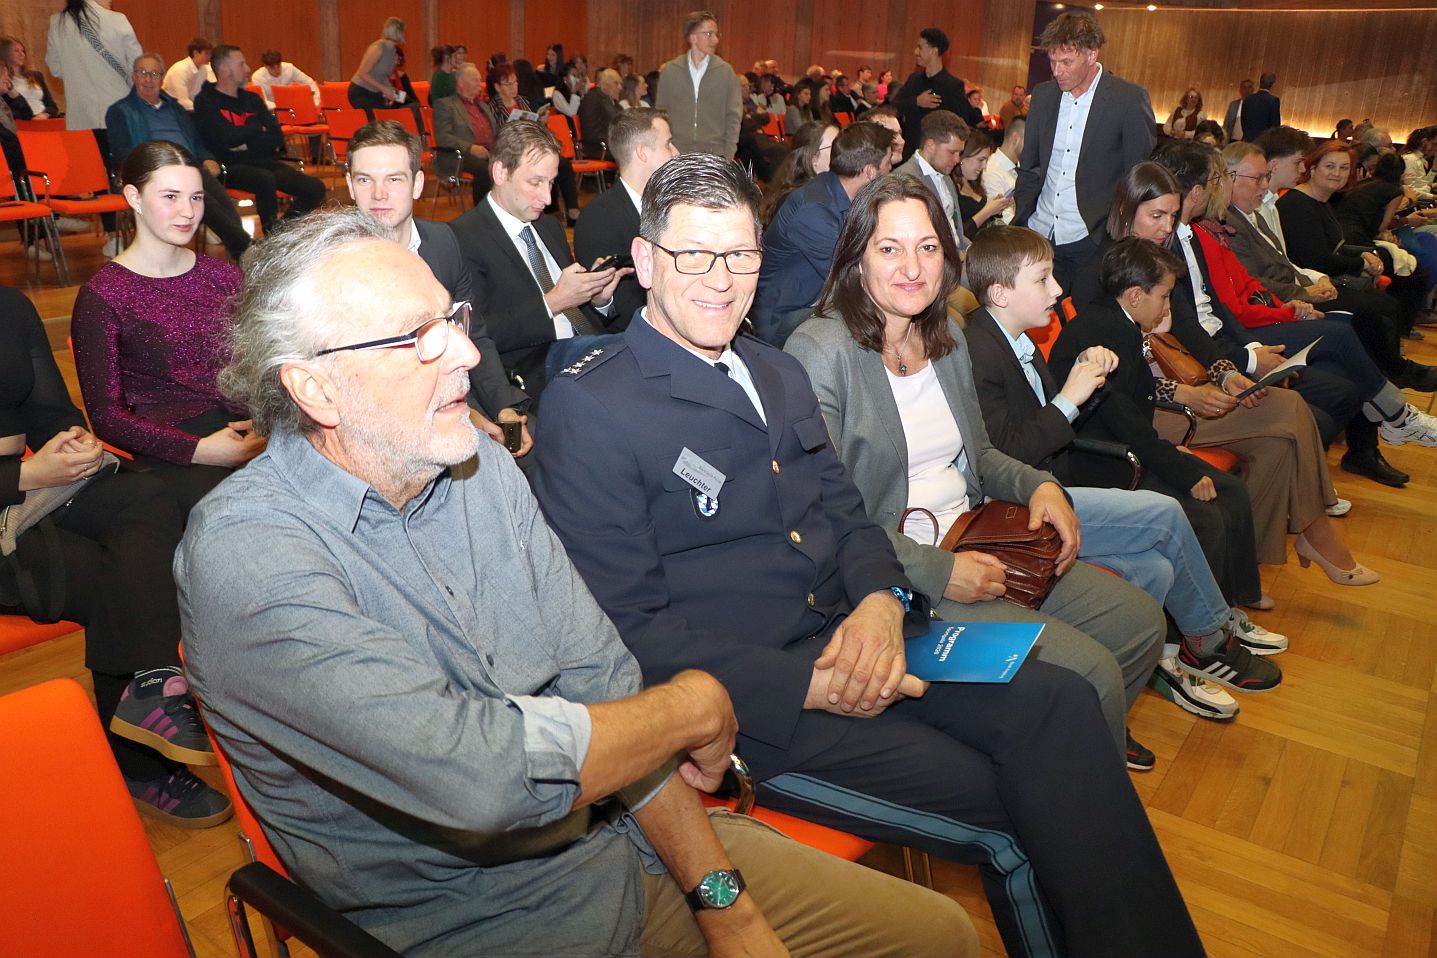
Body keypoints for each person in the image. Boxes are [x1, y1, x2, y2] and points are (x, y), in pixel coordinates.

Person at [180, 205, 979, 958]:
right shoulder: (249, 555)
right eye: (415, 338)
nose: (466, 354)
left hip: (630, 845)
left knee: (939, 935)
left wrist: (724, 905)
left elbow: (605, 683)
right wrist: (689, 704)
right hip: (489, 924)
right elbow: (483, 778)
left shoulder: (479, 470)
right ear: (315, 388)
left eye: (452, 320)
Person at [531, 153, 1206, 958]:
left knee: (1060, 706)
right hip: (760, 704)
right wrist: (811, 684)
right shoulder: (593, 404)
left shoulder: (774, 370)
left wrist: (883, 605)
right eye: (694, 255)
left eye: (739, 254)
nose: (721, 279)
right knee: (1021, 803)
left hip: (863, 632)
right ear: (645, 262)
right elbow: (624, 631)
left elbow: (847, 517)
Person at [783, 174, 1176, 760]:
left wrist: (1040, 485)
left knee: (1141, 621)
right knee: (1089, 671)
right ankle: (1071, 761)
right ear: (856, 257)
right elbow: (826, 514)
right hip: (902, 572)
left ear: (948, 257)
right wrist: (941, 571)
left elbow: (982, 454)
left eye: (927, 247)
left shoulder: (945, 334)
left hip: (981, 536)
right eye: (889, 248)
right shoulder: (821, 351)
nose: (912, 267)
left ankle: (1072, 744)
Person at [959, 225, 1265, 716]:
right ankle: (1209, 640)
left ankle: (1132, 679)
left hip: (1050, 488)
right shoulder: (978, 351)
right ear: (1000, 293)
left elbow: (1052, 419)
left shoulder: (1013, 339)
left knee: (1156, 568)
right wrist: (1069, 397)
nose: (1058, 289)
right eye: (1042, 279)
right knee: (1166, 514)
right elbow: (1005, 453)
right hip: (1020, 506)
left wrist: (1087, 375)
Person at [2, 283, 232, 830]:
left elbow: (51, 411)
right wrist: (25, 473)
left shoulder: (9, 304)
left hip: (25, 495)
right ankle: (139, 759)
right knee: (121, 576)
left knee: (147, 497)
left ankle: (150, 689)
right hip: (19, 488)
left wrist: (72, 440)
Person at [1145, 142, 1377, 586]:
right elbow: (1134, 369)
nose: (1165, 224)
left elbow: (1206, 315)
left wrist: (1230, 368)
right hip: (1169, 396)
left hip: (1200, 368)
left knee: (1287, 433)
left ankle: (1248, 564)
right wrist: (1227, 369)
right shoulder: (1136, 263)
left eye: (1168, 214)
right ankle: (1313, 533)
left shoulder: (1184, 239)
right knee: (1297, 410)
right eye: (1156, 214)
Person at [1216, 141, 1437, 480]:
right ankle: (1396, 405)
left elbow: (1280, 266)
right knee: (1359, 322)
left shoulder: (1254, 211)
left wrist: (1310, 285)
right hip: (1264, 315)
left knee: (1360, 338)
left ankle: (1354, 454)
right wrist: (1303, 294)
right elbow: (1254, 286)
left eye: (1344, 167)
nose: (1266, 183)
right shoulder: (1234, 220)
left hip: (1283, 300)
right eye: (1259, 177)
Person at [70, 140, 265, 516]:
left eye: (196, 198)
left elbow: (257, 363)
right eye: (171, 197)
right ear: (134, 197)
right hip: (173, 446)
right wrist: (200, 450)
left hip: (248, 427)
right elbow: (107, 417)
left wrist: (265, 423)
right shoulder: (103, 296)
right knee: (240, 512)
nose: (187, 212)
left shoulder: (223, 276)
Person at [345, 120, 533, 457]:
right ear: (349, 185)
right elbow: (364, 385)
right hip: (384, 425)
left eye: (393, 179)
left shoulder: (443, 241)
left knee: (537, 447)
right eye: (364, 180)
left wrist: (502, 406)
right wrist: (465, 415)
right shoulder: (335, 268)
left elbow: (473, 333)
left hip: (458, 393)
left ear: (417, 184)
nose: (378, 194)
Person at [448, 120, 627, 401]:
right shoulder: (462, 238)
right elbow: (477, 333)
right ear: (500, 172)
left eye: (551, 182)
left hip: (588, 349)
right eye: (536, 182)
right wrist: (554, 302)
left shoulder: (549, 226)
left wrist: (598, 299)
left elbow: (578, 315)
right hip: (535, 367)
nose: (547, 197)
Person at [1014, 10, 1155, 295]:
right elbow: (1030, 163)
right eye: (1052, 61)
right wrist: (1023, 215)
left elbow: (1138, 174)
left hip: (1092, 239)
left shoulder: (1127, 99)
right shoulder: (1043, 95)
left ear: (1092, 55)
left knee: (1083, 317)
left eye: (1066, 62)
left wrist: (1118, 234)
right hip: (1040, 231)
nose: (1057, 71)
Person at [1277, 139, 1436, 380]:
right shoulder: (1297, 204)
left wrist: (1361, 254)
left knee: (1386, 302)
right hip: (1306, 285)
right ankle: (1394, 372)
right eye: (1330, 166)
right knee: (1378, 307)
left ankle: (1388, 373)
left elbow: (1331, 248)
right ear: (1313, 168)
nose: (1337, 173)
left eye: (1343, 168)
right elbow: (1315, 259)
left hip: (1322, 277)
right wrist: (1361, 263)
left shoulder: (1322, 201)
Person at [753, 121, 894, 346]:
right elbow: (852, 278)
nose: (890, 170)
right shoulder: (813, 209)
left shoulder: (836, 191)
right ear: (869, 171)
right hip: (784, 320)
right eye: (888, 164)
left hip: (816, 303)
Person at [105, 53, 251, 260]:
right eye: (143, 73)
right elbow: (121, 153)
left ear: (162, 78)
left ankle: (242, 249)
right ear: (134, 77)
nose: (148, 79)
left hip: (188, 166)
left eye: (154, 74)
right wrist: (157, 162)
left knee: (219, 196)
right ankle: (245, 247)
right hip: (154, 171)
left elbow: (196, 141)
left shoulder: (175, 108)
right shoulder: (120, 111)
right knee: (199, 197)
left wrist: (207, 158)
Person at [193, 44, 327, 235]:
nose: (248, 69)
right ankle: (272, 235)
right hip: (229, 167)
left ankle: (279, 234)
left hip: (266, 162)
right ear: (224, 69)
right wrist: (256, 129)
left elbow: (276, 137)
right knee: (265, 179)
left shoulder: (252, 100)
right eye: (241, 64)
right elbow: (221, 141)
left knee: (315, 188)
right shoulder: (206, 101)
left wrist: (244, 142)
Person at [45, 0, 139, 253]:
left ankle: (112, 235)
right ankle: (138, 229)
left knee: (99, 175)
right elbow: (136, 64)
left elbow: (55, 67)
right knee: (128, 170)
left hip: (82, 115)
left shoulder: (58, 22)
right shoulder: (116, 19)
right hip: (119, 111)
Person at [575, 107, 680, 328]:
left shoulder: (676, 206)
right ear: (642, 152)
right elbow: (618, 310)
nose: (676, 152)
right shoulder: (599, 219)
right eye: (668, 144)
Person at [654, 10, 742, 158]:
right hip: (677, 153)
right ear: (693, 37)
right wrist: (665, 148)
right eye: (709, 34)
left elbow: (734, 116)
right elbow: (661, 113)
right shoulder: (670, 71)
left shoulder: (726, 72)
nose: (715, 40)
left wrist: (728, 155)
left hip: (714, 154)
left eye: (716, 34)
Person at [891, 27, 981, 159]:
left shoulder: (953, 85)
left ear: (934, 51)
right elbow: (893, 107)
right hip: (910, 152)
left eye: (920, 47)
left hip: (937, 157)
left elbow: (960, 124)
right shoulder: (914, 79)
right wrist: (917, 101)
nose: (915, 52)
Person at [893, 109, 969, 251]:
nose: (957, 159)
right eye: (952, 152)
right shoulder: (903, 180)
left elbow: (955, 232)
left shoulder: (946, 178)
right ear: (930, 145)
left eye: (960, 153)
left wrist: (972, 250)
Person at [430, 63, 494, 205]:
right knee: (485, 169)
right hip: (459, 155)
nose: (480, 83)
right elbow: (443, 138)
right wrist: (471, 148)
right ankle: (482, 212)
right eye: (475, 80)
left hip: (489, 151)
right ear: (461, 83)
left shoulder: (483, 106)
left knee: (515, 163)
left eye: (480, 79)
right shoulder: (445, 105)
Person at [348, 15, 422, 131]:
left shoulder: (393, 50)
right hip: (361, 91)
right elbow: (362, 73)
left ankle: (416, 134)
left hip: (376, 90)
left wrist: (391, 91)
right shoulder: (378, 48)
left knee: (411, 102)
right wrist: (384, 89)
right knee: (383, 119)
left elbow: (384, 75)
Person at [759, 121, 837, 225]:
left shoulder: (824, 190)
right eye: (835, 147)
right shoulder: (803, 202)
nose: (842, 151)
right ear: (814, 158)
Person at [955, 130, 1013, 237]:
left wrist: (997, 207)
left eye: (986, 160)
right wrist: (988, 211)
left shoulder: (974, 183)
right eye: (980, 160)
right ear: (963, 157)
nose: (984, 166)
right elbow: (958, 235)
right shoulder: (950, 188)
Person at [0, 36, 60, 119]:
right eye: (16, 51)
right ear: (5, 53)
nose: (22, 54)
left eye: (23, 51)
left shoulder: (37, 76)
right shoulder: (4, 80)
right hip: (21, 121)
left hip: (44, 119)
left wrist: (45, 115)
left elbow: (52, 106)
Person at [983, 115, 1023, 225]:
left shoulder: (1021, 167)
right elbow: (1003, 221)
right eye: (1029, 141)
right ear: (1015, 139)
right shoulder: (991, 170)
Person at [250, 49, 321, 110]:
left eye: (278, 66)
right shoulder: (257, 77)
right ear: (265, 66)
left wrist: (315, 102)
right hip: (271, 111)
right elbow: (262, 101)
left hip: (291, 108)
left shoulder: (289, 68)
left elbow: (309, 82)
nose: (277, 70)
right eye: (272, 68)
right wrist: (282, 107)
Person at [578, 67, 623, 158]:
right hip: (598, 147)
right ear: (605, 84)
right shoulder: (594, 98)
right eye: (616, 83)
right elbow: (616, 118)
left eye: (620, 84)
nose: (620, 87)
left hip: (606, 144)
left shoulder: (606, 98)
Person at [160, 37, 214, 112]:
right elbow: (182, 101)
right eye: (206, 53)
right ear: (195, 53)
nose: (209, 57)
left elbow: (198, 95)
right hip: (170, 108)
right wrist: (203, 110)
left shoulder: (203, 69)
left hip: (186, 108)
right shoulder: (180, 70)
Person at [1240, 73, 1280, 142]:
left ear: (1260, 82)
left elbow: (1243, 120)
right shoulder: (1273, 100)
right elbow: (1274, 126)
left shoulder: (1248, 99)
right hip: (1263, 141)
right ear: (1272, 84)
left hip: (1247, 140)